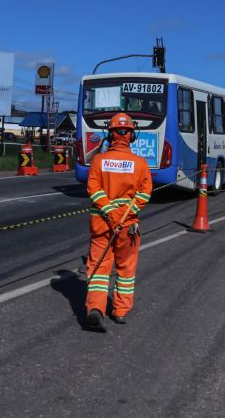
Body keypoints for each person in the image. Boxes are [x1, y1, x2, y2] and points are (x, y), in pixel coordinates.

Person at [84, 112, 152, 332]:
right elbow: (144, 194)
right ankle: (120, 312)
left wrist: (109, 211)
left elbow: (93, 190)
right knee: (125, 269)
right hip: (127, 226)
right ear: (132, 135)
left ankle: (95, 308)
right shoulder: (140, 164)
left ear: (110, 134)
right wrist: (123, 213)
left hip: (101, 224)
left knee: (99, 268)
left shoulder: (98, 161)